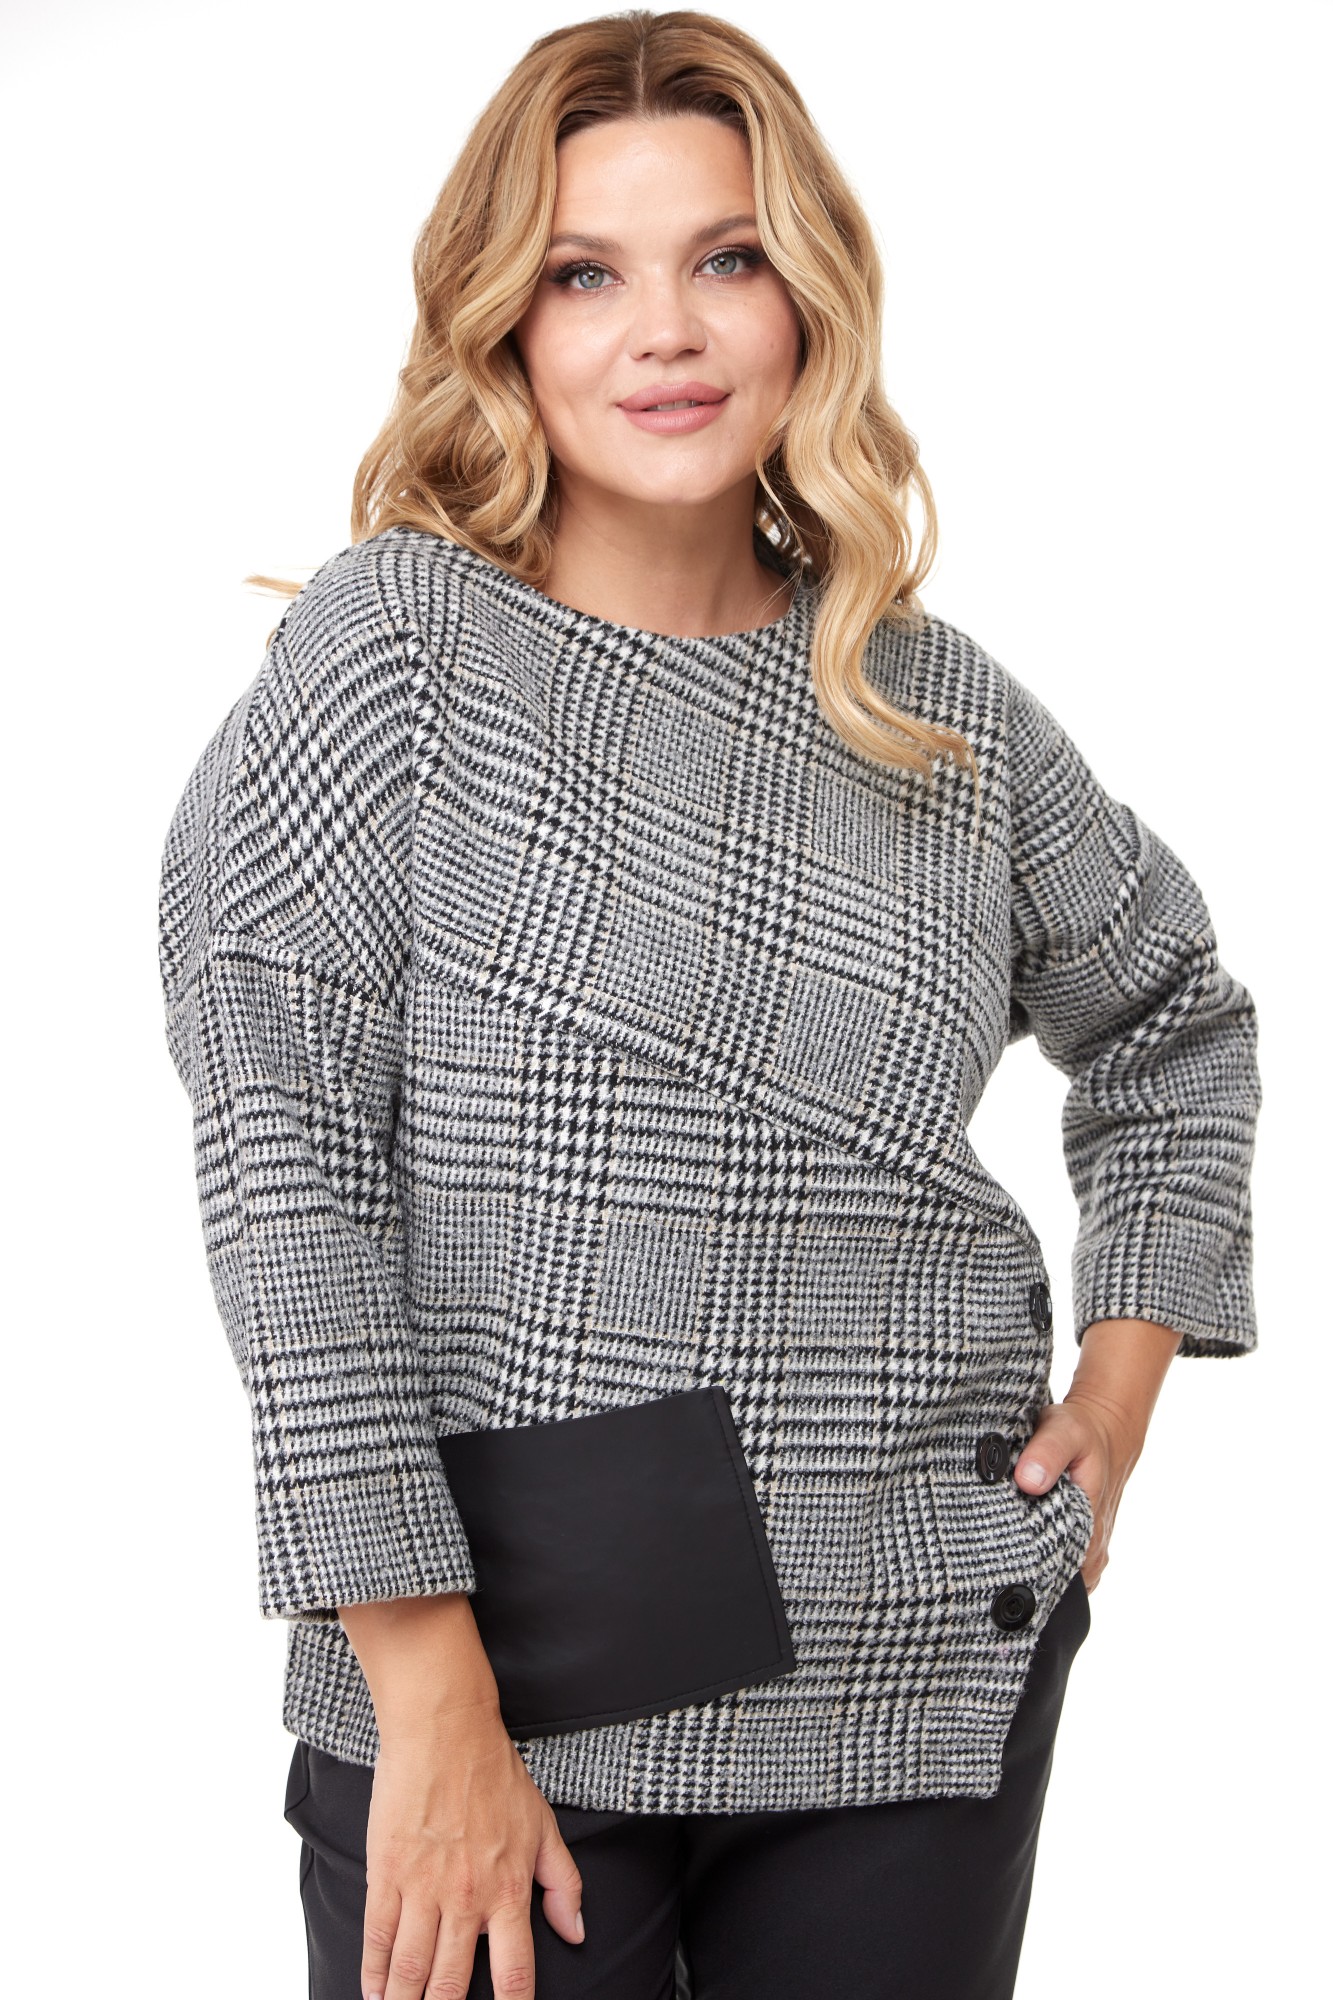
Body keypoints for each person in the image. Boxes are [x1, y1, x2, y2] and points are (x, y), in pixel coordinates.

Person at [155, 11, 1262, 1999]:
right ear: (503, 321)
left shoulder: (937, 711)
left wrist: (1115, 1403)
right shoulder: (395, 653)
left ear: (807, 296)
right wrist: (424, 1694)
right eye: (586, 273)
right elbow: (285, 1183)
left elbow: (1174, 1024)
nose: (663, 332)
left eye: (725, 259)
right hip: (501, 1677)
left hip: (907, 1665)